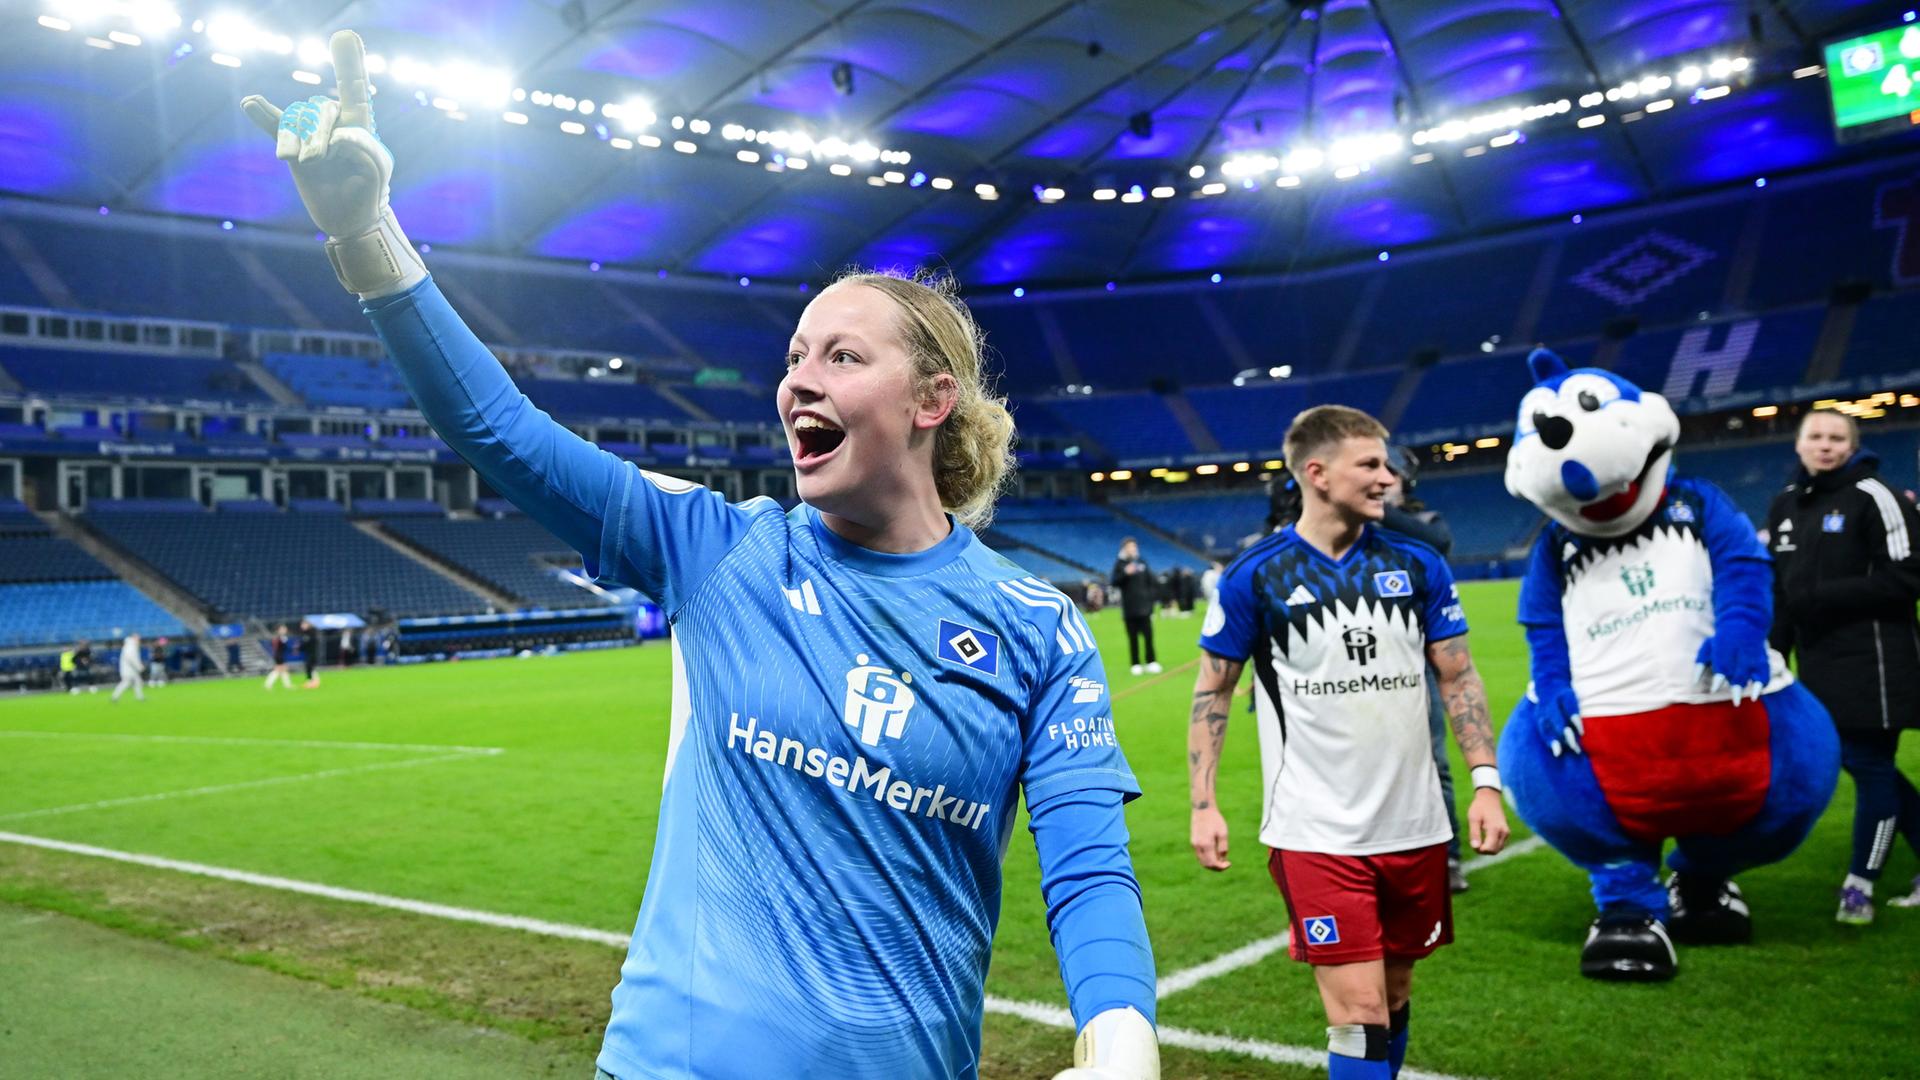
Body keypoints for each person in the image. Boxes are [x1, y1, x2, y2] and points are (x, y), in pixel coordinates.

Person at [243, 33, 1160, 1080]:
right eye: (793, 359)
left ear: (929, 401)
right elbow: (499, 427)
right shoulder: (718, 550)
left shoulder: (1037, 627)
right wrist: (368, 234)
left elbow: (1088, 870)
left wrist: (1123, 1042)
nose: (798, 383)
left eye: (842, 357)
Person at [1189, 405, 1509, 1080]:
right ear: (1317, 473)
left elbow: (1459, 677)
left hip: (1416, 826)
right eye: (1369, 464)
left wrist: (1484, 783)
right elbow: (1214, 691)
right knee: (1359, 1013)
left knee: (1393, 997)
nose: (1387, 478)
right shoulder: (1256, 576)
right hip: (1317, 832)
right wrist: (1202, 802)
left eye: (1386, 465)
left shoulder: (1418, 565)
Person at [1766, 409, 1920, 922]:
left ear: (1852, 445)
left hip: (1876, 660)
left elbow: (1909, 576)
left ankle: (1861, 884)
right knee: (1860, 763)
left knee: (1870, 765)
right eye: (1816, 436)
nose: (1825, 446)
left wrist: (1824, 596)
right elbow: (1783, 596)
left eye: (1837, 438)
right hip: (1818, 664)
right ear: (1798, 444)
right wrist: (1773, 657)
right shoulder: (1786, 505)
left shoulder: (1877, 496)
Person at [1381, 449, 1467, 894]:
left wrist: (1381, 511)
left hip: (1417, 661)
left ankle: (1449, 856)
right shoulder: (1352, 531)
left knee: (1433, 760)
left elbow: (1437, 544)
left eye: (1389, 472)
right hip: (1363, 666)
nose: (1381, 479)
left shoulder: (1422, 521)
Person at [1111, 538, 1160, 675]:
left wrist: (1151, 599)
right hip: (1129, 608)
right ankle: (1135, 663)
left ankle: (1151, 661)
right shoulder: (1120, 564)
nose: (1132, 549)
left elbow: (1151, 582)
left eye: (1134, 547)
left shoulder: (1142, 562)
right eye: (1129, 547)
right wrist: (1126, 573)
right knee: (1132, 637)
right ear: (1124, 549)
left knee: (1148, 636)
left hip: (1145, 607)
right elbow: (1114, 581)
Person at [111, 632, 146, 703]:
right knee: (126, 682)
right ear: (134, 638)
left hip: (131, 669)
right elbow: (131, 658)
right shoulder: (131, 646)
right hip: (129, 669)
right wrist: (139, 666)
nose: (139, 640)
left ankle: (140, 697)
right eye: (138, 638)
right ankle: (115, 696)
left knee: (137, 682)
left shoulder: (130, 645)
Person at [265, 624, 293, 690]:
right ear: (279, 630)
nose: (285, 630)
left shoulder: (281, 637)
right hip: (279, 655)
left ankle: (287, 685)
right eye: (283, 629)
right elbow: (277, 647)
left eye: (285, 629)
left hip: (280, 655)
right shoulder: (280, 638)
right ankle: (268, 684)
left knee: (282, 671)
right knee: (278, 670)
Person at [300, 619, 322, 689]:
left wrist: (300, 647)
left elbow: (308, 643)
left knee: (309, 667)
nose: (302, 626)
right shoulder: (305, 633)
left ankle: (311, 682)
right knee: (310, 668)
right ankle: (314, 682)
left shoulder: (312, 632)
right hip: (308, 653)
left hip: (312, 653)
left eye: (303, 624)